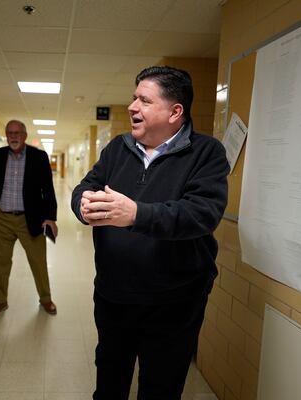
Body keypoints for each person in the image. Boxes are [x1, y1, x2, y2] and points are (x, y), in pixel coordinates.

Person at [71, 66, 229, 400]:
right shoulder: (119, 148)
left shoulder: (206, 153)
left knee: (160, 386)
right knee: (110, 379)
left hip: (173, 301)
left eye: (144, 100)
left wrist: (136, 214)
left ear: (175, 112)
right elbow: (88, 184)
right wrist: (82, 203)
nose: (132, 107)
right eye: (134, 98)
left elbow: (201, 214)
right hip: (114, 295)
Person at [0, 120, 58, 318]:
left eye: (17, 133)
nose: (14, 136)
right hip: (1, 218)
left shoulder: (39, 157)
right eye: (10, 133)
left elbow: (47, 189)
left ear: (24, 135)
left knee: (38, 261)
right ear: (6, 136)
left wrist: (50, 217)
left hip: (29, 219)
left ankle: (46, 299)